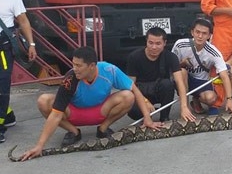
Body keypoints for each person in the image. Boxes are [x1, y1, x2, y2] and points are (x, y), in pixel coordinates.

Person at [19, 46, 163, 160]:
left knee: (128, 95)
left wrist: (147, 118)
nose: (74, 69)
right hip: (74, 113)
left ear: (92, 66)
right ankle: (74, 131)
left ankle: (103, 129)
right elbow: (56, 114)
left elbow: (135, 90)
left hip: (100, 111)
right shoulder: (70, 78)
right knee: (44, 100)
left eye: (79, 65)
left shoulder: (109, 70)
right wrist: (39, 146)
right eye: (73, 64)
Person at [171, 18, 232, 115]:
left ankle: (196, 99)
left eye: (204, 33)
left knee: (210, 98)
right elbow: (171, 68)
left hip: (201, 82)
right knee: (182, 71)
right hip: (183, 80)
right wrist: (181, 64)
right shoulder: (180, 45)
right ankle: (185, 108)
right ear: (192, 32)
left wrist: (229, 99)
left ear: (209, 36)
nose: (200, 36)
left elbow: (224, 75)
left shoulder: (213, 52)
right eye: (197, 32)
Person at [0, 0, 37, 143]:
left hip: (3, 48)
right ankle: (7, 115)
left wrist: (31, 44)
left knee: (2, 85)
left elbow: (23, 21)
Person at [126, 27, 194, 123]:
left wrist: (184, 107)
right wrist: (145, 102)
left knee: (167, 84)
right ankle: (146, 115)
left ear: (164, 43)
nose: (154, 47)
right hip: (140, 92)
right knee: (134, 111)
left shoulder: (171, 57)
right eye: (151, 43)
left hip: (159, 89)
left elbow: (180, 82)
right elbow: (130, 85)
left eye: (158, 43)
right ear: (146, 42)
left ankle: (164, 117)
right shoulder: (134, 57)